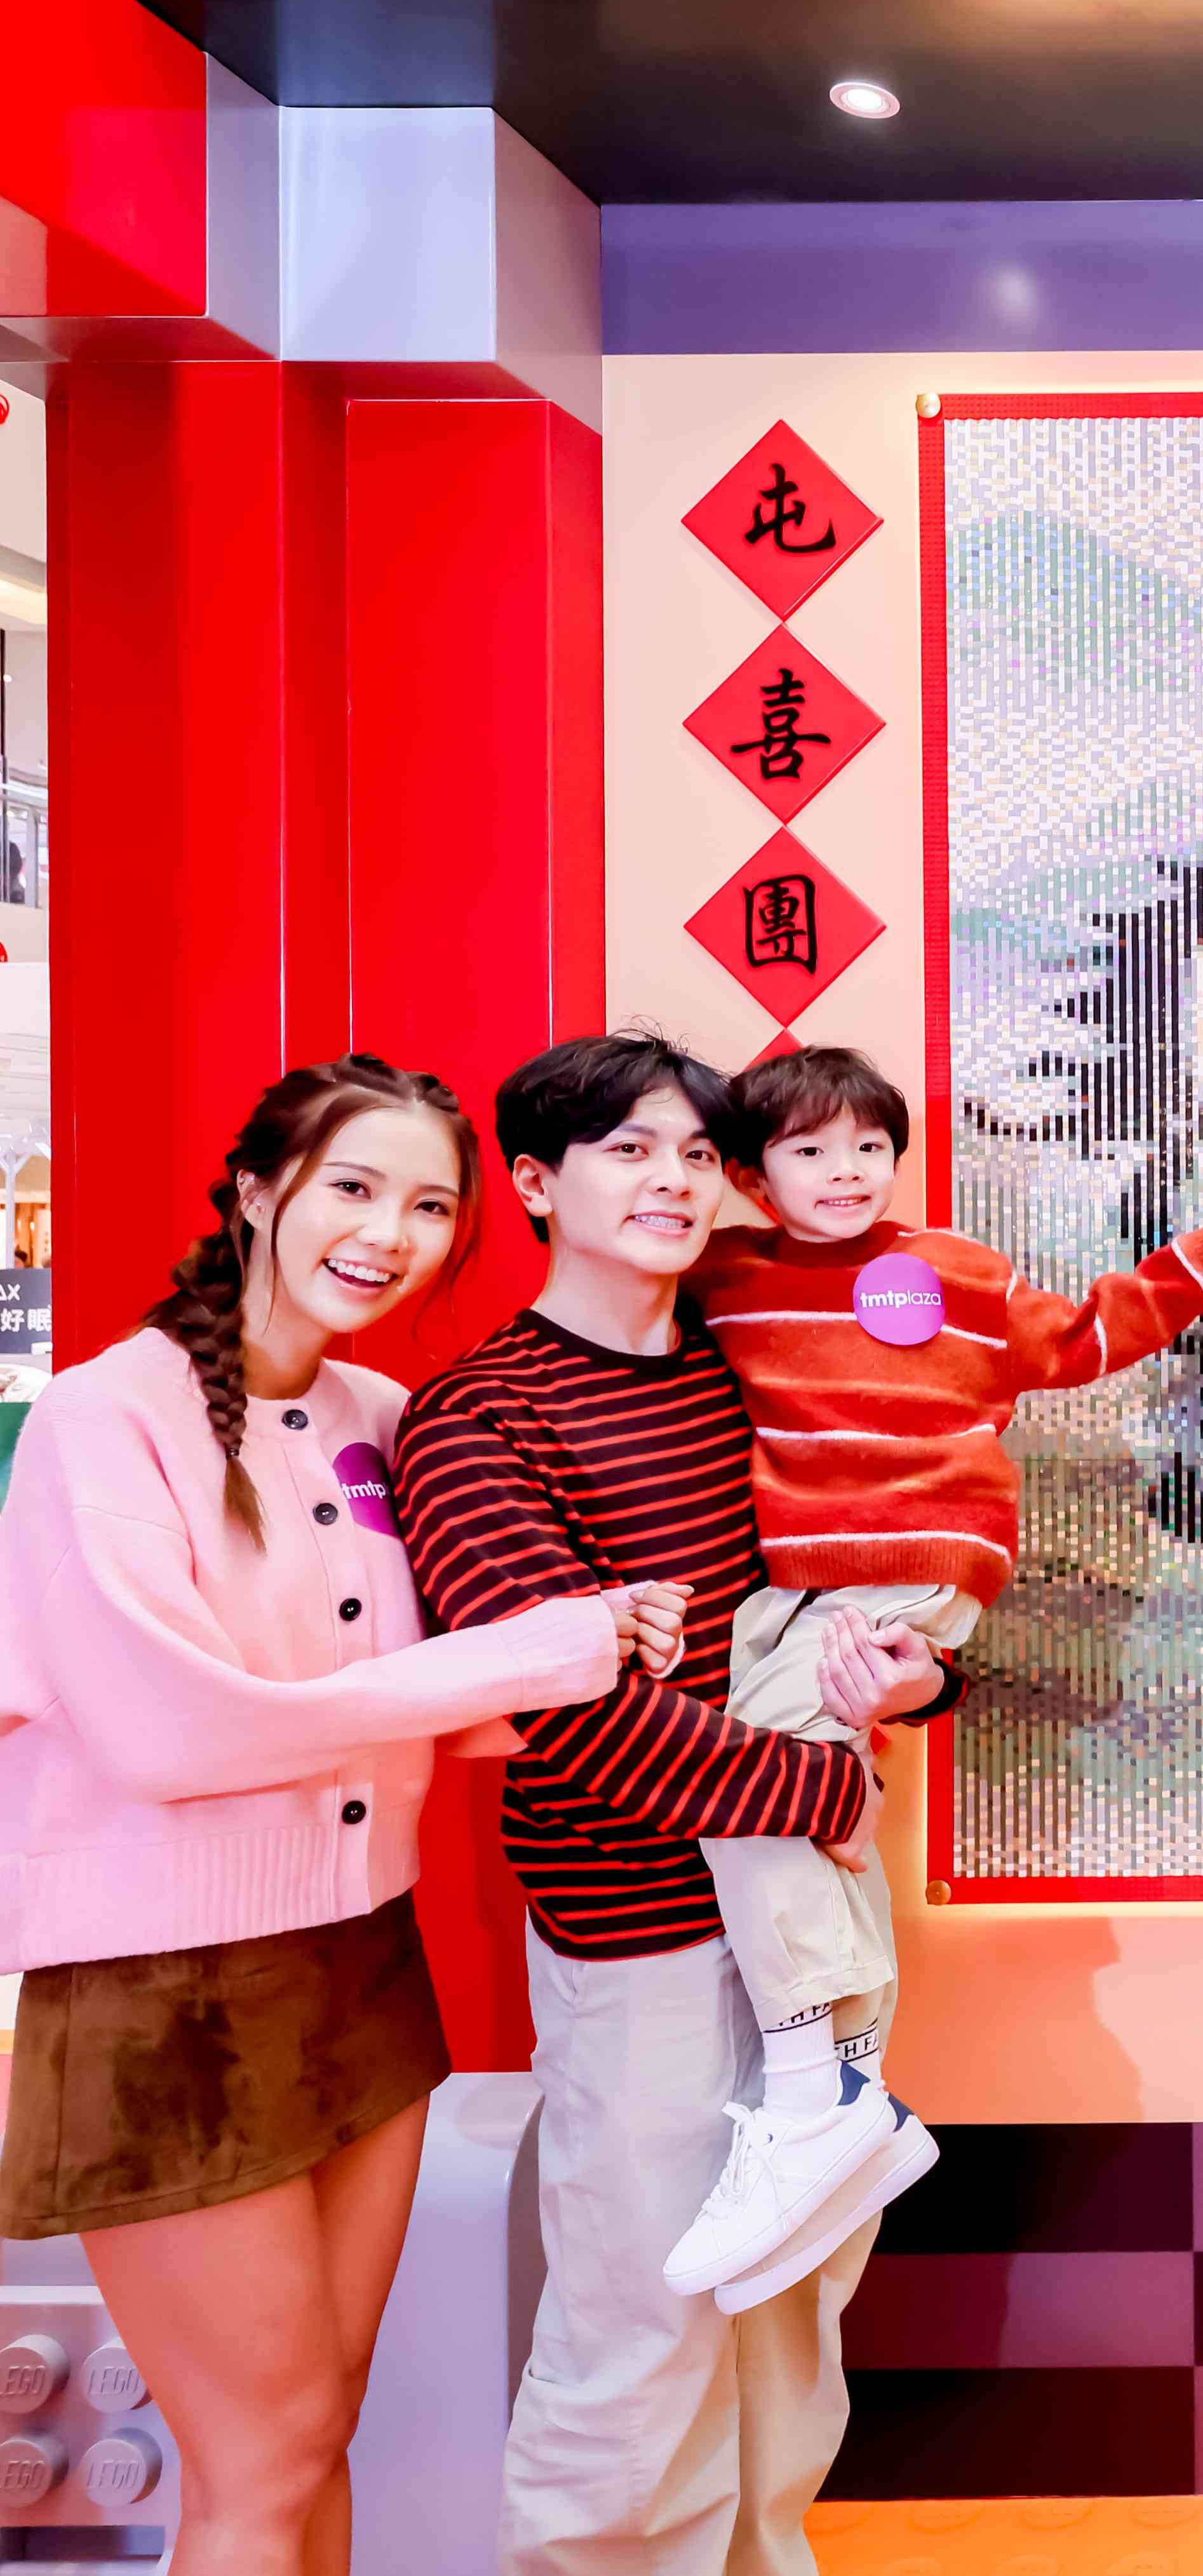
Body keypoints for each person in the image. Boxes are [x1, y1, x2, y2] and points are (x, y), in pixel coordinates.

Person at [0, 1056, 683, 2576]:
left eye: (429, 1205)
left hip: (363, 1957)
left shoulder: (385, 1412)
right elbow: (169, 1729)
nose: (389, 1233)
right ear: (257, 1189)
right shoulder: (105, 1416)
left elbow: (446, 1701)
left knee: (318, 2430)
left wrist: (638, 1650)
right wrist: (534, 1651)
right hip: (162, 1991)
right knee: (262, 2455)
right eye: (353, 1187)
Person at [389, 1034, 950, 2576]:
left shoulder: (753, 1365)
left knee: (793, 2320)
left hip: (814, 1919)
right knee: (641, 2335)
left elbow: (857, 1581)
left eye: (699, 1153)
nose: (674, 1180)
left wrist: (918, 1682)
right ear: (532, 1182)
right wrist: (835, 1782)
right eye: (629, 1150)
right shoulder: (476, 1417)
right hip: (639, 1931)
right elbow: (578, 1723)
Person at [661, 1044, 1203, 2296]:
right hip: (789, 1589)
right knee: (807, 1814)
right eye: (809, 1150)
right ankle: (848, 2088)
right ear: (751, 1176)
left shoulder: (953, 1270)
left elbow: (1086, 1338)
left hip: (909, 1565)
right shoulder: (724, 1277)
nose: (847, 1170)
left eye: (869, 1147)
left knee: (748, 1793)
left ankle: (812, 2096)